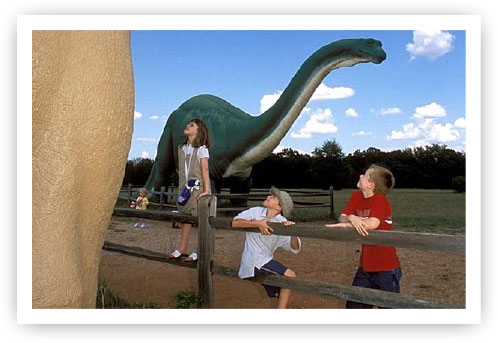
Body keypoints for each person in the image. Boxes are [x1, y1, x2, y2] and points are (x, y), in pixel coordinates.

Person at [325, 164, 401, 309]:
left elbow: (373, 223)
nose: (360, 176)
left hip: (386, 267)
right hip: (366, 266)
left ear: (371, 185)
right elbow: (342, 217)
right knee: (354, 306)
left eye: (365, 175)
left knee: (388, 309)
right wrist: (352, 218)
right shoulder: (357, 196)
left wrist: (349, 224)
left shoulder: (380, 200)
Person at [232, 187, 301, 309]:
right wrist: (257, 223)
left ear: (279, 207)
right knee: (290, 275)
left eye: (273, 197)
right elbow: (235, 222)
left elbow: (295, 248)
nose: (268, 196)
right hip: (253, 261)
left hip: (264, 261)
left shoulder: (281, 222)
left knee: (287, 298)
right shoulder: (256, 212)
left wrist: (292, 231)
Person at [169, 119, 211, 262]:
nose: (187, 126)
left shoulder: (202, 149)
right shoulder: (182, 148)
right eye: (188, 124)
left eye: (192, 125)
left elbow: (204, 169)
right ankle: (183, 248)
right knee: (185, 217)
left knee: (200, 219)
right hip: (184, 189)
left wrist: (206, 190)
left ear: (198, 131)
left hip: (197, 189)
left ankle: (202, 251)